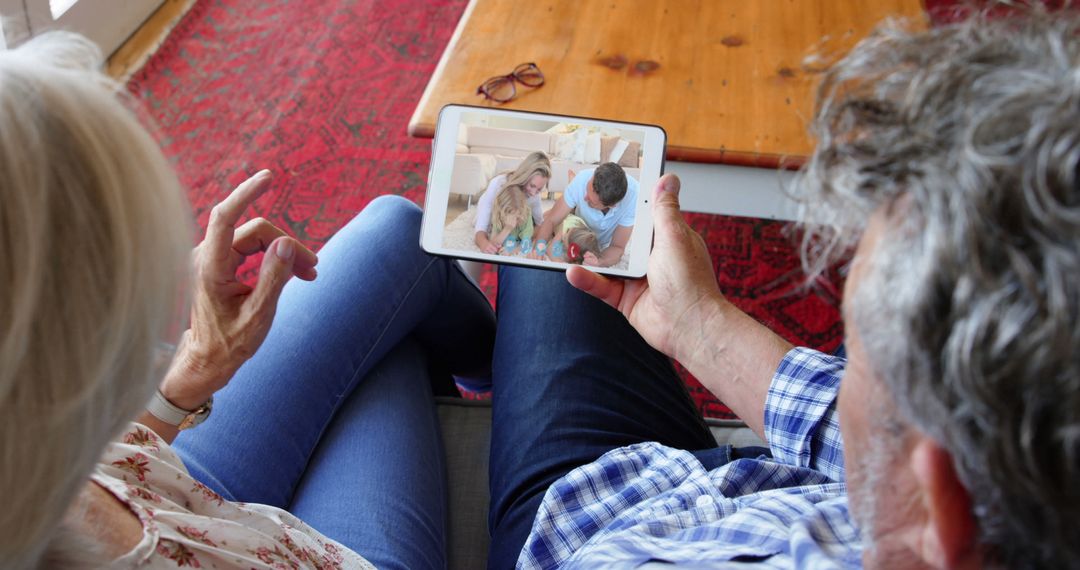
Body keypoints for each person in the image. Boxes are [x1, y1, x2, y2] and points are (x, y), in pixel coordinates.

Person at [485, 10, 1080, 570]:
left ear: (942, 505)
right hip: (739, 481)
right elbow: (867, 444)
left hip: (582, 523)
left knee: (519, 265)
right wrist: (697, 323)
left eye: (855, 357)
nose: (837, 368)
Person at [1, 32, 496, 569]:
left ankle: (489, 371)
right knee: (391, 340)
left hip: (145, 476)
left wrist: (192, 372)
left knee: (393, 233)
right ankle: (507, 382)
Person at [532, 162, 637, 267]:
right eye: (587, 190)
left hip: (589, 241)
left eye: (591, 201)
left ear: (611, 205)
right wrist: (538, 249)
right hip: (575, 225)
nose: (585, 198)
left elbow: (617, 247)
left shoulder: (634, 198)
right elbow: (551, 220)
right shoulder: (582, 179)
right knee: (546, 217)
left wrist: (599, 261)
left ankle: (571, 200)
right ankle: (571, 196)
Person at [473, 151, 552, 254]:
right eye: (532, 186)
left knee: (548, 218)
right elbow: (480, 228)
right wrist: (484, 244)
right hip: (492, 211)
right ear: (524, 176)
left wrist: (523, 241)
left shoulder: (535, 196)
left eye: (539, 189)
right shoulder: (498, 184)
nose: (533, 193)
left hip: (517, 219)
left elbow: (539, 224)